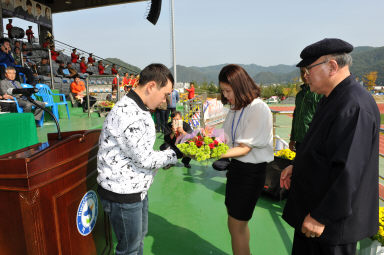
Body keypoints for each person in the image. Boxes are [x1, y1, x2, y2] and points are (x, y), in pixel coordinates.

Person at [280, 38, 380, 255]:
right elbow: (320, 146)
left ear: (332, 67)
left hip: (329, 224)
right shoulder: (331, 98)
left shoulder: (354, 105)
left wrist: (320, 216)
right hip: (314, 213)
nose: (306, 76)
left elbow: (349, 171)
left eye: (309, 69)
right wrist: (297, 166)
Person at [97, 63, 183, 255]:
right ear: (151, 86)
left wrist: (167, 149)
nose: (165, 100)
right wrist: (176, 152)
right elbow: (144, 159)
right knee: (129, 249)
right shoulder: (129, 113)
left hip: (135, 189)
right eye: (165, 93)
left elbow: (139, 151)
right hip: (123, 194)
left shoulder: (137, 108)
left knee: (137, 242)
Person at [216, 64, 273, 255]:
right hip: (236, 170)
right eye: (223, 91)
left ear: (240, 86)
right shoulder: (236, 108)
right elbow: (224, 138)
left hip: (250, 173)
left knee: (236, 225)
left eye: (228, 91)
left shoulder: (258, 109)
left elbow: (244, 148)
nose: (225, 96)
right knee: (236, 225)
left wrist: (212, 152)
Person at [289, 68, 322, 151]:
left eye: (307, 72)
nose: (304, 75)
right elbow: (295, 116)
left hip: (313, 140)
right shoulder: (299, 95)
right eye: (302, 72)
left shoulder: (319, 93)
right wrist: (292, 139)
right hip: (299, 141)